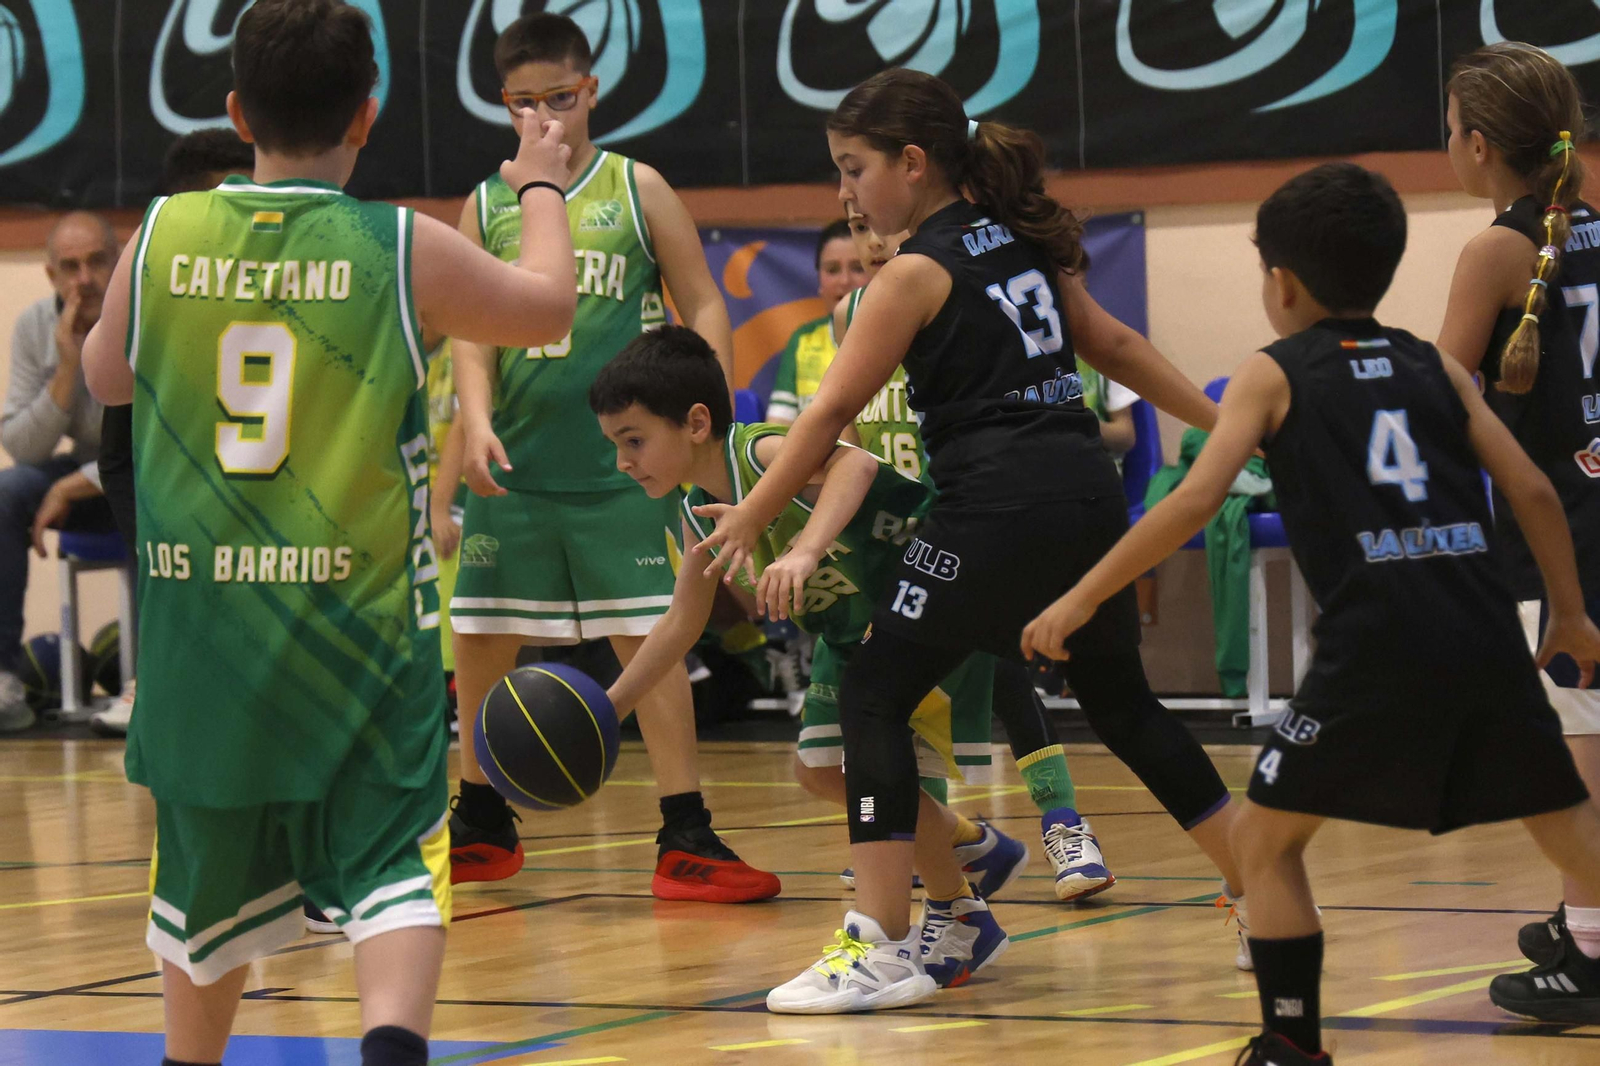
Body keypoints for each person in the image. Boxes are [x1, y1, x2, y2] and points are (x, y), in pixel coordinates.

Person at [79, 3, 578, 1064]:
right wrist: (539, 178)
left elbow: (104, 379)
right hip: (356, 632)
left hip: (202, 633)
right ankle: (390, 1047)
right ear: (367, 114)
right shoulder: (395, 244)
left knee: (204, 890)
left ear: (232, 110)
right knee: (393, 861)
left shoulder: (164, 231)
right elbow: (545, 310)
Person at [1024, 162, 1600, 1063]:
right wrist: (1569, 614)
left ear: (1281, 283)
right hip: (1483, 626)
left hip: (1376, 642)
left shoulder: (1270, 373)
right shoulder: (1434, 364)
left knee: (1261, 843)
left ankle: (1290, 1044)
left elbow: (1190, 503)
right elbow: (1528, 484)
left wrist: (1081, 593)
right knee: (1571, 833)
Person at [695, 69, 1242, 1013]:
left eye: (853, 168)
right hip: (1083, 501)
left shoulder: (908, 275)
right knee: (1123, 704)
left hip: (996, 511)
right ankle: (1258, 889)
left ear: (912, 163)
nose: (844, 193)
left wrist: (751, 513)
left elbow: (829, 414)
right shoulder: (1024, 243)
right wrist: (1225, 428)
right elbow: (1113, 345)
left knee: (871, 692)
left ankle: (881, 944)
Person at [445, 11, 778, 903]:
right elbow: (469, 337)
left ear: (589, 92)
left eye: (560, 96)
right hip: (517, 465)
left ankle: (685, 830)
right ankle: (479, 818)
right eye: (525, 102)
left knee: (651, 640)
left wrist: (707, 414)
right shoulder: (485, 203)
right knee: (479, 640)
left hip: (622, 468)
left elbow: (704, 303)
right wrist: (474, 418)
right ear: (504, 104)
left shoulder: (637, 188)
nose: (544, 115)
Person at [590, 323, 1012, 986]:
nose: (623, 461)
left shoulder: (759, 453)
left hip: (923, 597)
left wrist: (806, 546)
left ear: (696, 423)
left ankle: (955, 908)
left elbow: (857, 463)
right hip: (850, 633)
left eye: (633, 440)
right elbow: (679, 623)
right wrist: (605, 710)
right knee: (819, 770)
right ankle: (966, 876)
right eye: (615, 445)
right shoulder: (696, 505)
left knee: (881, 767)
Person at [836, 201, 1115, 903]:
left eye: (874, 226)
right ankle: (919, 842)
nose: (867, 240)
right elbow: (846, 432)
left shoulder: (943, 282)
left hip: (968, 511)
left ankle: (1065, 825)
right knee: (894, 697)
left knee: (1009, 671)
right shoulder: (854, 314)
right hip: (892, 526)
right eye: (852, 228)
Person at [1436, 41, 1600, 1018]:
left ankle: (1587, 952)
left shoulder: (1495, 250)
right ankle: (1581, 911)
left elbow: (1441, 399)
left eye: (1449, 131)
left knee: (1577, 745)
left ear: (1479, 143)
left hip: (1565, 532)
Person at [89, 127, 255, 739]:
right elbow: (116, 457)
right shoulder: (152, 293)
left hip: (289, 546)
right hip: (189, 543)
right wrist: (158, 546)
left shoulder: (301, 283)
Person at [0, 211, 120, 731]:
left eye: (97, 262)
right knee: (7, 491)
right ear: (51, 276)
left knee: (151, 486)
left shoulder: (143, 320)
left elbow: (158, 439)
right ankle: (3, 674)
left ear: (118, 265)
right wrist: (67, 367)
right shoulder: (34, 326)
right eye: (69, 267)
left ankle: (151, 681)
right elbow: (24, 447)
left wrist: (79, 482)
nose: (84, 279)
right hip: (88, 475)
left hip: (139, 473)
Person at [767, 219, 864, 424]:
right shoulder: (803, 340)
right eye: (832, 270)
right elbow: (777, 429)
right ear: (819, 281)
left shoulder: (898, 338)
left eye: (858, 268)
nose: (844, 281)